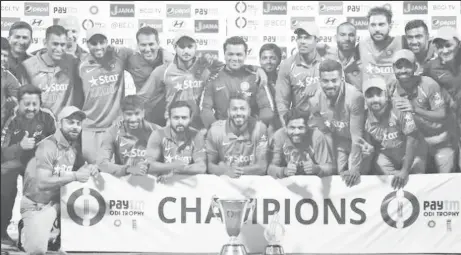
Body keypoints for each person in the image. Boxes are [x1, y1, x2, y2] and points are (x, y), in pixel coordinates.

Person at [20, 106, 98, 255]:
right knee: (37, 251)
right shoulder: (47, 146)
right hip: (36, 206)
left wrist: (91, 168)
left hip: (57, 205)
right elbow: (42, 183)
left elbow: (80, 171)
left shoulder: (72, 149)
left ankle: (56, 235)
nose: (75, 127)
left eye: (78, 123)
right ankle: (27, 228)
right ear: (59, 123)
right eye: (70, 122)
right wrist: (75, 176)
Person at [1, 85, 56, 248]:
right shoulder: (10, 118)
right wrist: (20, 146)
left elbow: (56, 142)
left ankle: (35, 231)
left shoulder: (47, 117)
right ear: (19, 103)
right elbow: (2, 151)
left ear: (40, 103)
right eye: (27, 104)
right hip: (12, 161)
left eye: (35, 104)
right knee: (5, 186)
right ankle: (2, 232)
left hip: (35, 162)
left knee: (41, 185)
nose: (31, 108)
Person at [139, 31, 224, 129]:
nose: (186, 51)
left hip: (199, 125)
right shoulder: (163, 70)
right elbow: (142, 97)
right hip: (173, 125)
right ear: (175, 48)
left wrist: (213, 61)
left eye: (190, 46)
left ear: (196, 48)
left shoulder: (205, 67)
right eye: (182, 47)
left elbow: (227, 71)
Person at [392, 49, 456, 173]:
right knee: (414, 176)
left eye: (407, 66)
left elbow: (442, 114)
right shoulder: (391, 90)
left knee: (446, 177)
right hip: (415, 144)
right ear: (393, 68)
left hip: (439, 139)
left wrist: (415, 109)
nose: (403, 70)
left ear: (415, 67)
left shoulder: (428, 84)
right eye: (399, 67)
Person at [79, 27, 134, 164]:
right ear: (87, 44)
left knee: (118, 173)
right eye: (94, 43)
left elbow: (141, 56)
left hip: (115, 126)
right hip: (89, 128)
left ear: (107, 42)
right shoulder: (80, 64)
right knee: (96, 172)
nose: (98, 47)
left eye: (102, 42)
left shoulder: (119, 56)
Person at [308, 59, 367, 187]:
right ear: (319, 81)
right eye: (325, 81)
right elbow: (325, 133)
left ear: (342, 79)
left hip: (360, 142)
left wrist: (354, 169)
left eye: (334, 80)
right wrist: (333, 164)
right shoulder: (314, 100)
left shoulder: (355, 97)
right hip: (339, 142)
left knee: (353, 176)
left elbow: (357, 137)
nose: (330, 85)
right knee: (339, 174)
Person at [363, 77, 424, 189]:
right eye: (370, 96)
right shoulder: (363, 117)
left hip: (409, 151)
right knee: (379, 163)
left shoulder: (399, 108)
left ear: (386, 95)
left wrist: (405, 170)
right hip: (387, 154)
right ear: (365, 99)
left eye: (379, 94)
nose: (375, 99)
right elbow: (368, 144)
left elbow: (413, 139)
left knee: (417, 164)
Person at [201, 36, 274, 129]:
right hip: (222, 132)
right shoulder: (213, 77)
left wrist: (256, 128)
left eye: (239, 54)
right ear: (224, 54)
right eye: (230, 54)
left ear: (246, 55)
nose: (235, 58)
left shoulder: (255, 76)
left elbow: (267, 108)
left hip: (250, 132)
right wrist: (215, 129)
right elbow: (205, 109)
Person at [275, 23, 335, 126]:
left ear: (316, 40)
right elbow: (282, 102)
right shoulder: (287, 65)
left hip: (326, 121)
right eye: (299, 38)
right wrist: (287, 126)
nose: (302, 41)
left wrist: (318, 86)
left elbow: (341, 91)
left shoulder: (329, 61)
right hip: (300, 123)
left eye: (307, 38)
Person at [18, 25, 82, 116]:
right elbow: (23, 100)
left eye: (63, 45)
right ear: (45, 43)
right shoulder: (27, 66)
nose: (59, 49)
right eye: (55, 44)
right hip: (40, 125)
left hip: (64, 126)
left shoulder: (72, 62)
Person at [423, 26, 461, 170]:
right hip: (447, 128)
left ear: (458, 44)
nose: (444, 50)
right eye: (439, 47)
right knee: (447, 172)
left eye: (448, 45)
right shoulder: (431, 67)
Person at [206, 94, 269, 178]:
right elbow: (210, 165)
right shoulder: (215, 131)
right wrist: (226, 172)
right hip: (225, 178)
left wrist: (237, 171)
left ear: (249, 111)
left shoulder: (260, 128)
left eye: (242, 109)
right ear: (228, 112)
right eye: (234, 109)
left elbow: (262, 166)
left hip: (252, 178)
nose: (239, 113)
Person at [98, 95, 159, 177]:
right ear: (122, 114)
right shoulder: (112, 132)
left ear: (143, 113)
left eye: (137, 113)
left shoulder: (157, 131)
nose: (133, 119)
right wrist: (128, 169)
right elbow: (102, 164)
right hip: (125, 182)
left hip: (154, 183)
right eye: (129, 114)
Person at [145, 101, 207, 178]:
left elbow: (202, 167)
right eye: (176, 118)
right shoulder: (158, 134)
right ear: (169, 118)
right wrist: (173, 166)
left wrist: (179, 169)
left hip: (188, 182)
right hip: (163, 182)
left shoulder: (197, 135)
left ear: (190, 119)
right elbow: (148, 166)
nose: (180, 122)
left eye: (184, 118)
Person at [268, 108, 335, 178]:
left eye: (301, 128)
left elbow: (330, 167)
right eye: (292, 128)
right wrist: (284, 171)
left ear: (307, 127)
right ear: (285, 128)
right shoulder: (279, 136)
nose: (297, 132)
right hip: (289, 182)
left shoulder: (317, 136)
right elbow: (270, 169)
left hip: (312, 181)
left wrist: (317, 169)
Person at [127, 27, 174, 126]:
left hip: (165, 116)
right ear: (138, 45)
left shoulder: (170, 60)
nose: (148, 49)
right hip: (143, 115)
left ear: (158, 43)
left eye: (151, 44)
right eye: (143, 45)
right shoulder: (131, 60)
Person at [359, 6, 403, 95]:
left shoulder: (401, 43)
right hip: (371, 102)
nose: (377, 29)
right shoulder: (361, 45)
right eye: (373, 25)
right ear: (368, 26)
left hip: (396, 101)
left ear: (390, 26)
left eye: (381, 24)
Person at [259, 43, 283, 134]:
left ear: (279, 60)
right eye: (264, 58)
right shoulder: (253, 79)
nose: (268, 61)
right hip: (259, 128)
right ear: (260, 60)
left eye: (272, 58)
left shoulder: (284, 80)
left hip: (280, 125)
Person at [334, 22, 362, 91]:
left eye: (351, 35)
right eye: (342, 35)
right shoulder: (326, 59)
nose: (347, 38)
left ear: (357, 38)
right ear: (335, 38)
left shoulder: (364, 60)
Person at [1, 37, 20, 131]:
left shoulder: (8, 77)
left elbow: (20, 100)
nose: (2, 59)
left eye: (5, 56)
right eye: (1, 54)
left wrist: (13, 103)